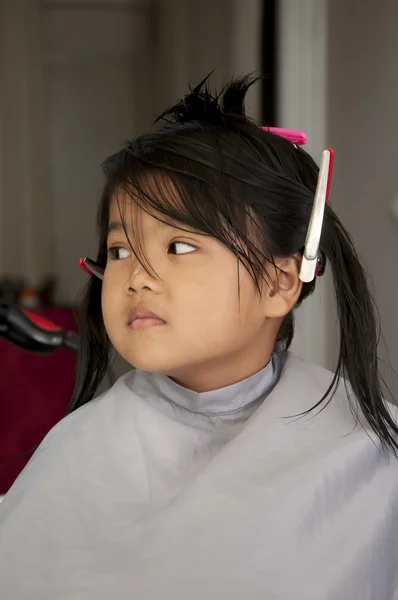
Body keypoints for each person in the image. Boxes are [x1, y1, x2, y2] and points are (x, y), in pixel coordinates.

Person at [1, 75, 397, 599]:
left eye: (180, 247)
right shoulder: (79, 451)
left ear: (280, 282)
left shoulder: (369, 450)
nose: (136, 275)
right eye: (119, 252)